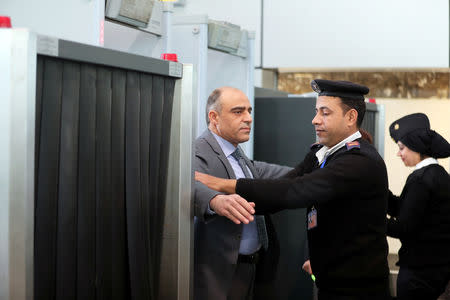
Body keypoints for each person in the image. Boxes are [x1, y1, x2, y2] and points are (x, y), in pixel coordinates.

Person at [196, 79, 391, 299]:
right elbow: (286, 186)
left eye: (325, 113)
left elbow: (296, 190)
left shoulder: (358, 160)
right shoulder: (323, 153)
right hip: (330, 280)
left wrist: (221, 184)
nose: (315, 120)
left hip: (358, 287)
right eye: (316, 112)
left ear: (350, 117)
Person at [194, 86, 291, 300]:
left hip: (253, 269)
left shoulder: (238, 155)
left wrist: (321, 170)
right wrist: (215, 200)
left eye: (249, 111)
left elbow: (275, 174)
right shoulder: (197, 151)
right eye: (238, 112)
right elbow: (189, 185)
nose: (248, 118)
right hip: (219, 274)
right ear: (214, 117)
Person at [387, 113, 450, 300]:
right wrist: (380, 193)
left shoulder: (421, 179)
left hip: (419, 274)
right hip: (437, 271)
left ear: (417, 146)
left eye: (401, 148)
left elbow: (405, 228)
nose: (399, 154)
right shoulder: (438, 174)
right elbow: (408, 210)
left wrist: (369, 219)